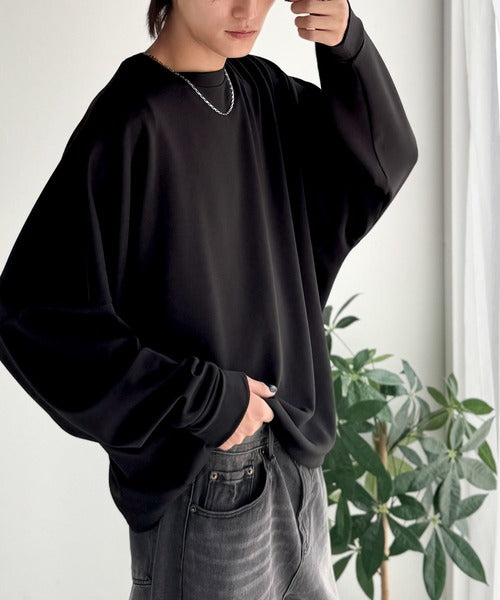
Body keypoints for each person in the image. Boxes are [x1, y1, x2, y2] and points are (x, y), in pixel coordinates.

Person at [0, 0, 418, 597]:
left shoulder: (263, 92)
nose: (248, 8)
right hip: (207, 487)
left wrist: (347, 45)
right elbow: (32, 316)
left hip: (300, 465)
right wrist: (199, 397)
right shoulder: (130, 121)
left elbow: (380, 164)